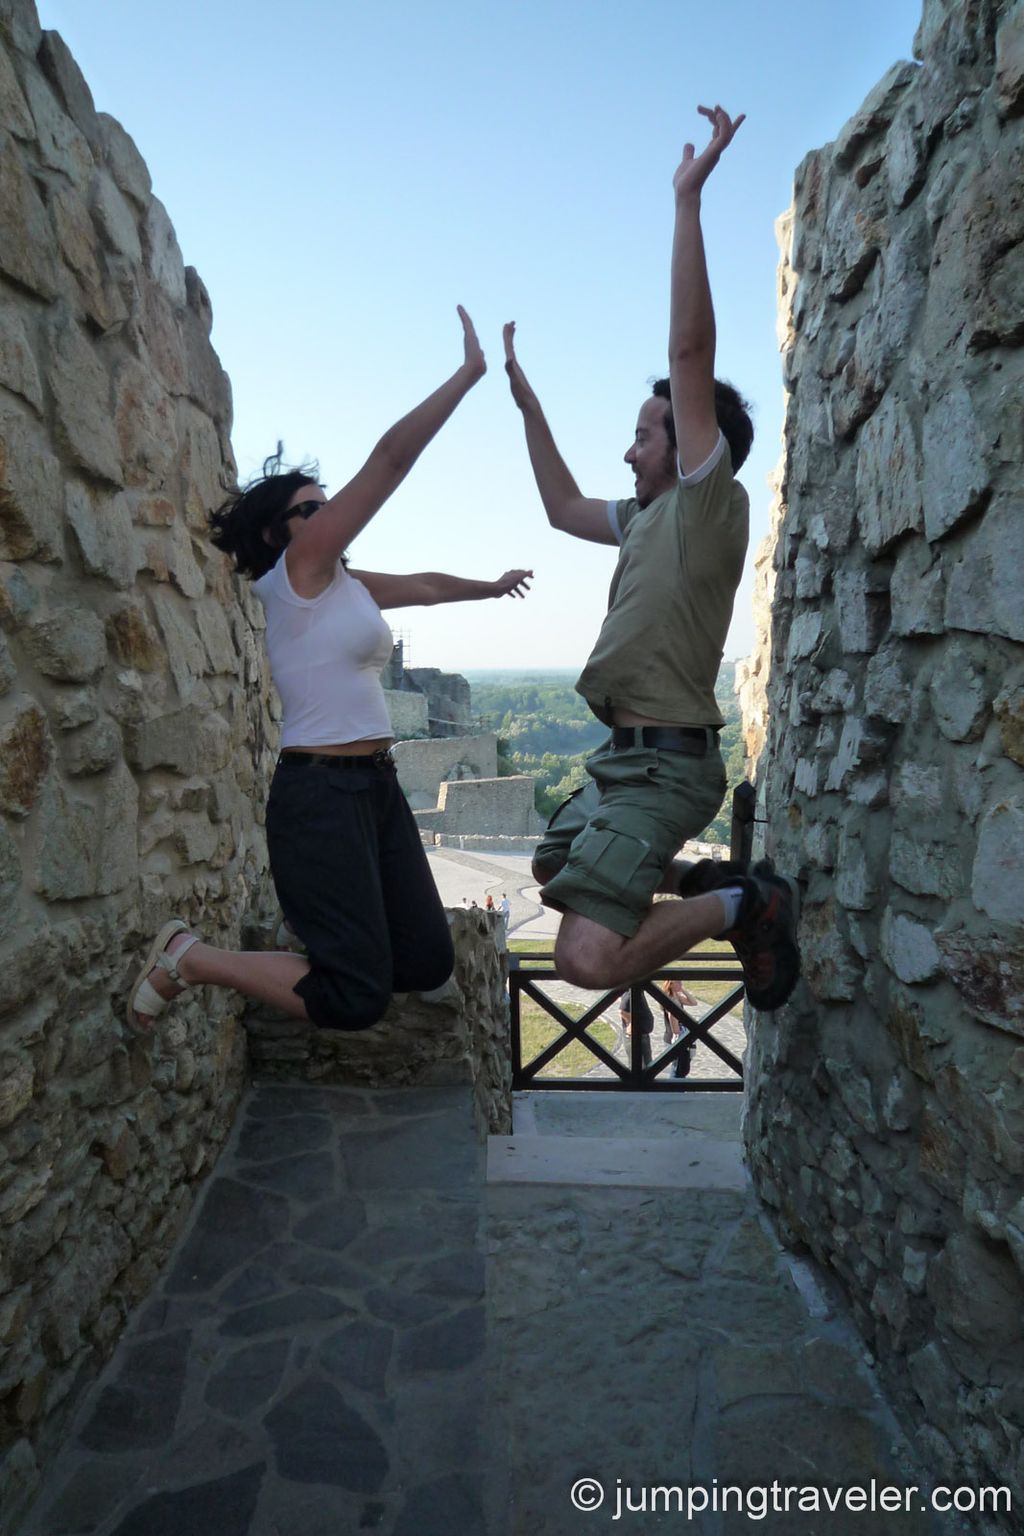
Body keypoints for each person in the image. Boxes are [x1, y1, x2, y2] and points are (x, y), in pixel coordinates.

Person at [129, 307, 533, 1032]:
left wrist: (490, 587)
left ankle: (310, 933)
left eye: (324, 505)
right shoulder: (296, 574)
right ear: (279, 533)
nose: (323, 515)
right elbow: (390, 461)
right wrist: (468, 375)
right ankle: (191, 957)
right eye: (309, 510)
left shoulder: (345, 584)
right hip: (318, 793)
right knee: (356, 998)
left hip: (375, 787)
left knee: (426, 961)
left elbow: (426, 586)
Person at [503, 106, 798, 1012]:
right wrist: (528, 408)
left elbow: (688, 350)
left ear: (694, 442)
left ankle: (746, 903)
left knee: (586, 959)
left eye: (644, 435)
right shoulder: (644, 517)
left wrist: (687, 202)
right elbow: (561, 510)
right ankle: (704, 880)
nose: (629, 451)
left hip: (668, 766)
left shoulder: (709, 502)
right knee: (554, 862)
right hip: (619, 763)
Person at [618, 988, 654, 1069]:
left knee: (647, 1065)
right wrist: (633, 1021)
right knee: (639, 1066)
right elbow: (622, 1011)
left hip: (643, 1034)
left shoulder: (639, 992)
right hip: (635, 1036)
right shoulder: (631, 993)